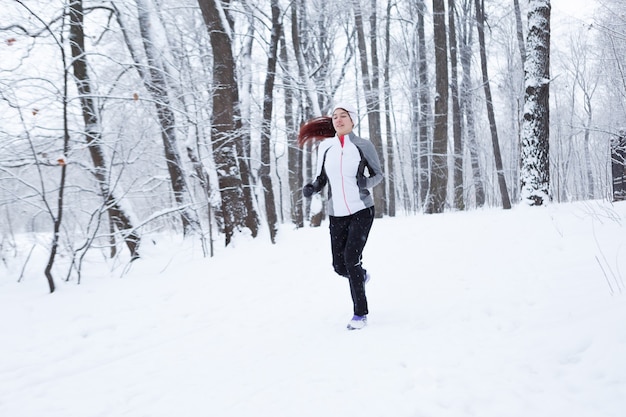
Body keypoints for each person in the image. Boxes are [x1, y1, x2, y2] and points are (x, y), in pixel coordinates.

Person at [298, 103, 383, 330]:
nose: (338, 119)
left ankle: (360, 314)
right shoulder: (326, 149)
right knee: (339, 266)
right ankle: (361, 276)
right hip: (337, 214)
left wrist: (365, 182)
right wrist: (312, 187)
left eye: (343, 116)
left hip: (362, 210)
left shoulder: (363, 146)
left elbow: (378, 174)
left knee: (351, 259)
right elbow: (321, 178)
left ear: (352, 120)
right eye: (335, 116)